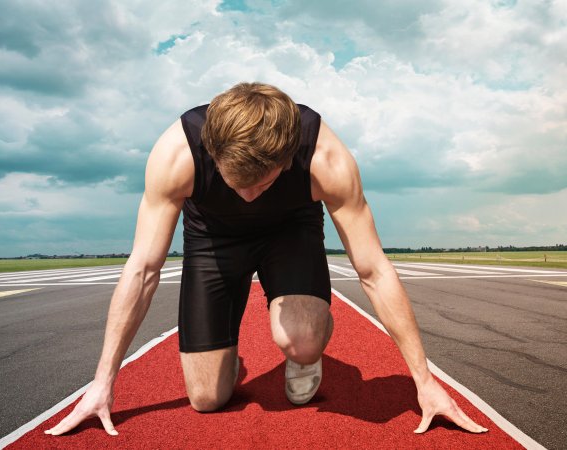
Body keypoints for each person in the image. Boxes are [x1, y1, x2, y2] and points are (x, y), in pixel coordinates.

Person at [45, 82, 488, 437]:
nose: (247, 196)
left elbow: (373, 269)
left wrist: (424, 383)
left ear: (289, 156)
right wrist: (102, 384)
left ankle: (305, 352)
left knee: (300, 339)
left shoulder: (324, 157)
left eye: (261, 184)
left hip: (289, 231)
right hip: (212, 237)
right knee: (206, 399)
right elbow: (143, 269)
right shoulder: (176, 155)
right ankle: (224, 364)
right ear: (212, 153)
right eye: (236, 183)